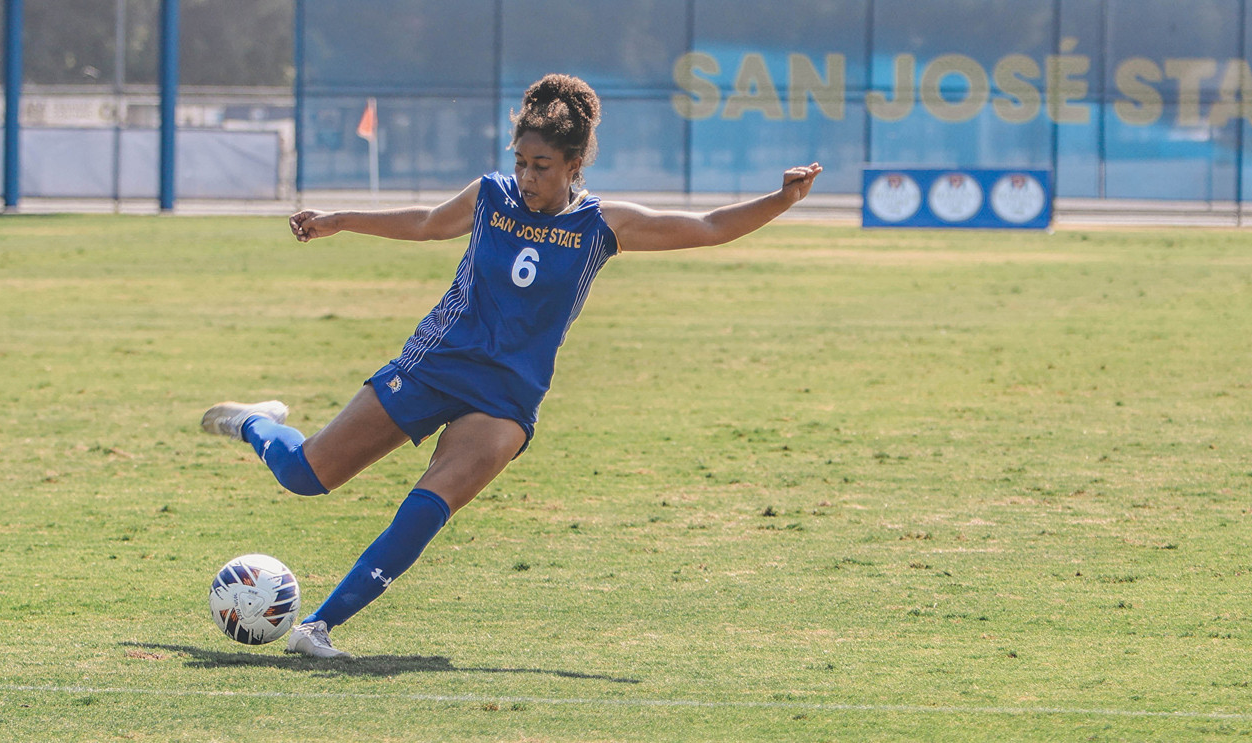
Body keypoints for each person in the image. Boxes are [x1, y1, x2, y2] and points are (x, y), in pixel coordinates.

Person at [198, 74, 823, 658]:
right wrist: (339, 220)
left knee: (425, 506)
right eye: (521, 161)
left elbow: (710, 226)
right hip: (434, 364)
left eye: (541, 166)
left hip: (506, 397)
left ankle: (318, 627)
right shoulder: (491, 196)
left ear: (575, 165)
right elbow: (424, 222)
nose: (526, 176)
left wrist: (784, 198)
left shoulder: (600, 225)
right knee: (308, 476)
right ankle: (255, 422)